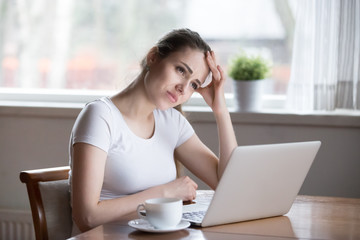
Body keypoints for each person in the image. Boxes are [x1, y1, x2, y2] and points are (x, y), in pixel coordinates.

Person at [69, 28, 238, 233]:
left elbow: (228, 186)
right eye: (181, 70)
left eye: (194, 84)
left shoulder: (172, 122)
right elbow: (86, 217)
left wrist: (220, 110)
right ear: (153, 57)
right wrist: (165, 192)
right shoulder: (101, 116)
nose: (183, 88)